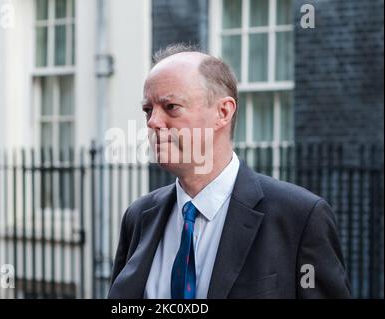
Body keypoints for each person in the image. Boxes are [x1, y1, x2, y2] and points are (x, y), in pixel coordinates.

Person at [107, 44, 351, 299]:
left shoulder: (299, 218)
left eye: (170, 107)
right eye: (148, 110)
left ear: (223, 112)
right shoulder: (139, 216)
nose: (153, 122)